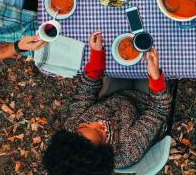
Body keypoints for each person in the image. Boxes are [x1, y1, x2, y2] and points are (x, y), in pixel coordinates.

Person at [43, 32, 171, 174]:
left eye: (85, 126)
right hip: (147, 105)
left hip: (114, 96)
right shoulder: (127, 151)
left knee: (116, 53)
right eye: (100, 133)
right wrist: (155, 79)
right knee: (162, 56)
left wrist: (96, 58)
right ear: (104, 152)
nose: (99, 123)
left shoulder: (73, 128)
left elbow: (84, 93)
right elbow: (158, 111)